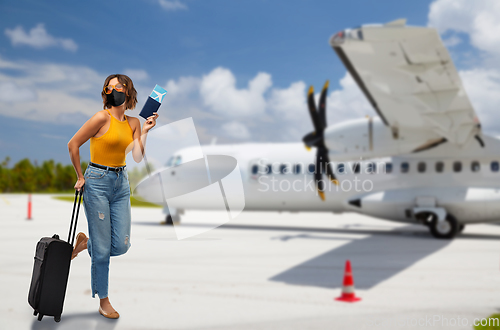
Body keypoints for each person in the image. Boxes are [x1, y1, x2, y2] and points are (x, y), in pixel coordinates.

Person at [67, 74, 158, 319]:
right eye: (109, 87)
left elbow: (137, 157)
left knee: (120, 245)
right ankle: (104, 300)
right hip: (96, 181)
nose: (113, 89)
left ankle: (86, 243)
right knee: (103, 251)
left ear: (128, 91)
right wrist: (80, 176)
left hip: (121, 183)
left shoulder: (133, 124)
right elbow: (73, 144)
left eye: (118, 86)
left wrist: (146, 130)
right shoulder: (100, 118)